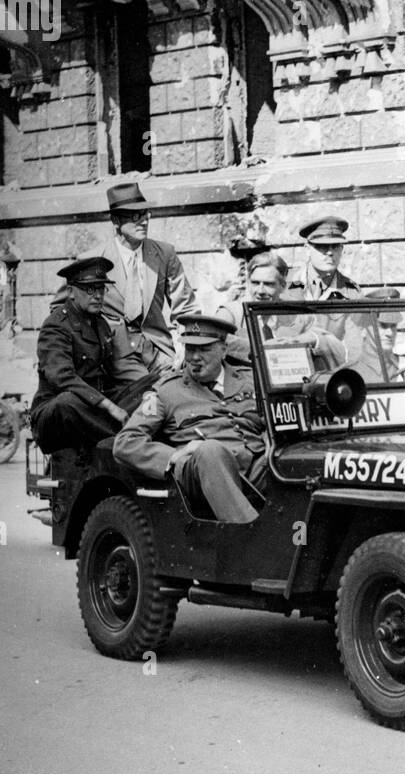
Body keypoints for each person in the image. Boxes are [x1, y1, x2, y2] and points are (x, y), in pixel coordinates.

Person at [113, 313, 267, 525]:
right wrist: (174, 455)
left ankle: (303, 538)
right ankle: (248, 537)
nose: (194, 357)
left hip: (254, 467)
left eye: (204, 349)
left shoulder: (251, 380)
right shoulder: (167, 391)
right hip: (202, 473)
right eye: (190, 349)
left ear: (223, 349)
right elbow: (126, 443)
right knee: (209, 450)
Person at [30, 257, 158, 455]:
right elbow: (62, 378)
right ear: (71, 292)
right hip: (56, 415)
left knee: (153, 382)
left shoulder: (100, 324)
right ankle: (128, 441)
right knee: (68, 402)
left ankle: (130, 434)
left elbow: (108, 374)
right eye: (90, 289)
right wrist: (110, 407)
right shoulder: (55, 325)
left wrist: (132, 394)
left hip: (94, 409)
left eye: (101, 289)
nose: (98, 295)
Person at [91, 182, 196, 374]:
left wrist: (186, 344)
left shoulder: (164, 253)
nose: (144, 221)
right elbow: (64, 310)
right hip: (112, 355)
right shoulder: (94, 260)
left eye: (146, 214)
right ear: (115, 221)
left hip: (159, 351)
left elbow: (186, 307)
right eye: (134, 216)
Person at [287, 216, 359, 302]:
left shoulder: (352, 294)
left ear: (341, 249)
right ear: (307, 249)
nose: (330, 252)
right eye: (323, 246)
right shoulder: (284, 284)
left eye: (335, 246)